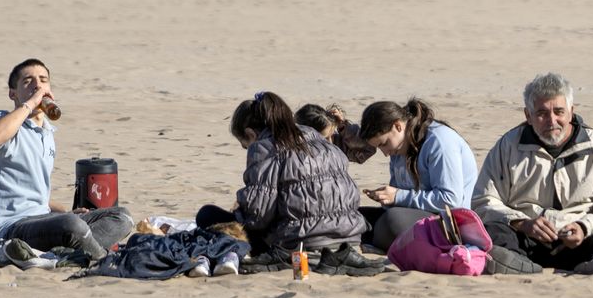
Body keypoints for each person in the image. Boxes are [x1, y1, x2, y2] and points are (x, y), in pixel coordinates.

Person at [473, 72, 593, 275]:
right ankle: (518, 265)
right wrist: (521, 223)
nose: (552, 121)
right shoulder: (508, 146)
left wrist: (584, 226)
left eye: (559, 112)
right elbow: (482, 200)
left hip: (579, 242)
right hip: (526, 241)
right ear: (528, 115)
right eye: (542, 113)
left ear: (571, 111)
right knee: (495, 231)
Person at [0, 58, 133, 262]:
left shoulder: (47, 134)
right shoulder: (2, 120)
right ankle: (100, 258)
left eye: (43, 80)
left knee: (122, 217)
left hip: (43, 220)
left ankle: (68, 256)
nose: (37, 85)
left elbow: (34, 194)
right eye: (27, 81)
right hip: (7, 228)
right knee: (73, 226)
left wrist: (66, 211)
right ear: (12, 93)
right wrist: (30, 103)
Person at [196, 92, 371, 268]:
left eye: (245, 144)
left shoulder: (263, 147)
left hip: (301, 242)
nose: (247, 149)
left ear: (250, 133)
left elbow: (258, 215)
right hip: (350, 237)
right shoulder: (316, 137)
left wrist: (240, 211)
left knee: (207, 215)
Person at [356, 98, 478, 253]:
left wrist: (398, 197)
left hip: (450, 224)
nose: (385, 153)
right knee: (354, 217)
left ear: (398, 126)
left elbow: (450, 200)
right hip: (416, 216)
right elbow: (401, 197)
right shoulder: (399, 147)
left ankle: (383, 243)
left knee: (392, 220)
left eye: (384, 143)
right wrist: (386, 198)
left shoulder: (439, 141)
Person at [295, 103, 376, 164]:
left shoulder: (335, 146)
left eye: (332, 135)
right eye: (325, 138)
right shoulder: (291, 155)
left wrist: (344, 128)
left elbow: (369, 148)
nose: (330, 142)